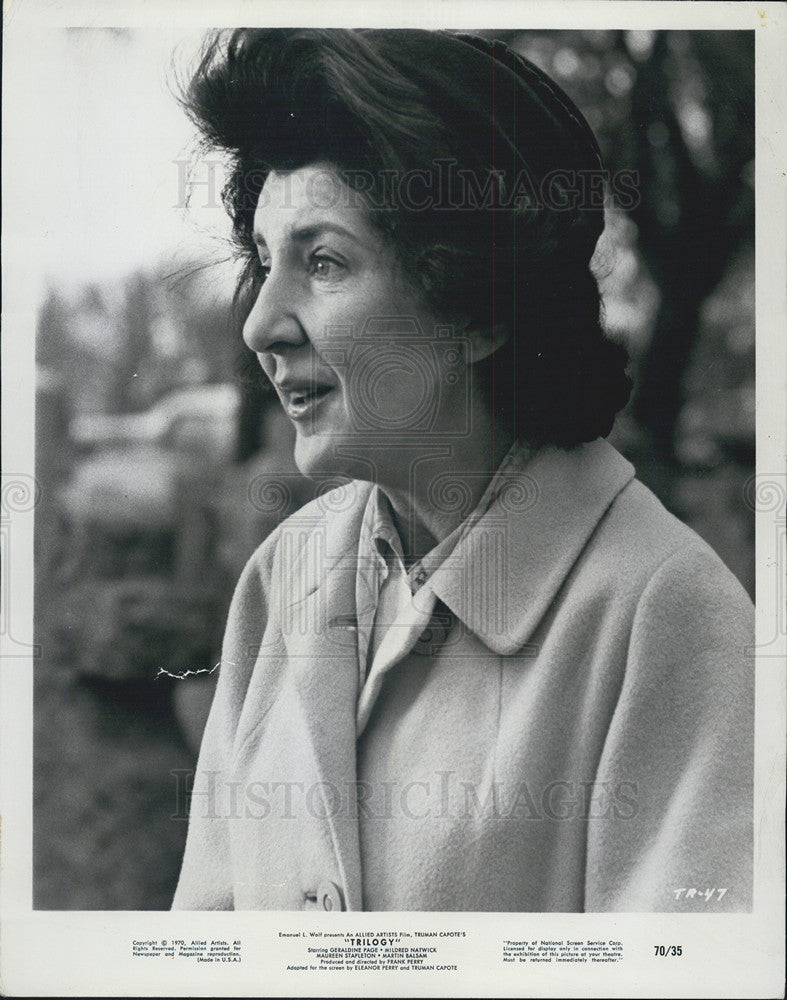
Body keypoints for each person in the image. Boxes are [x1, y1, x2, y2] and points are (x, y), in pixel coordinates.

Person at [172, 28, 753, 912]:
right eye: (262, 261)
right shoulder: (279, 580)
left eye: (322, 262)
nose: (260, 328)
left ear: (480, 307)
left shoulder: (665, 617)